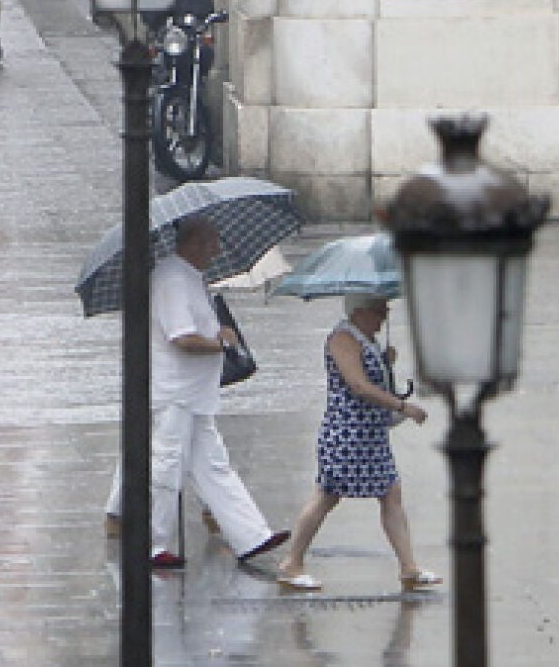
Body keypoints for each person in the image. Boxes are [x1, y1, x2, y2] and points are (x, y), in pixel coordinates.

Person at [143, 215, 289, 568]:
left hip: (195, 395)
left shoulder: (191, 278)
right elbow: (181, 337)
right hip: (176, 394)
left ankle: (251, 535)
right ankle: (153, 543)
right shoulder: (173, 279)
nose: (217, 249)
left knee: (213, 466)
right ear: (194, 241)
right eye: (212, 241)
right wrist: (220, 344)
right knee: (166, 467)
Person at [276, 294, 440, 592]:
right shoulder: (343, 338)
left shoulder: (367, 341)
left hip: (371, 434)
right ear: (359, 312)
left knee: (391, 494)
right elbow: (359, 385)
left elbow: (371, 379)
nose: (383, 316)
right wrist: (403, 407)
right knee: (327, 496)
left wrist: (385, 362)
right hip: (347, 433)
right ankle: (292, 562)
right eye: (379, 310)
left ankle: (408, 567)